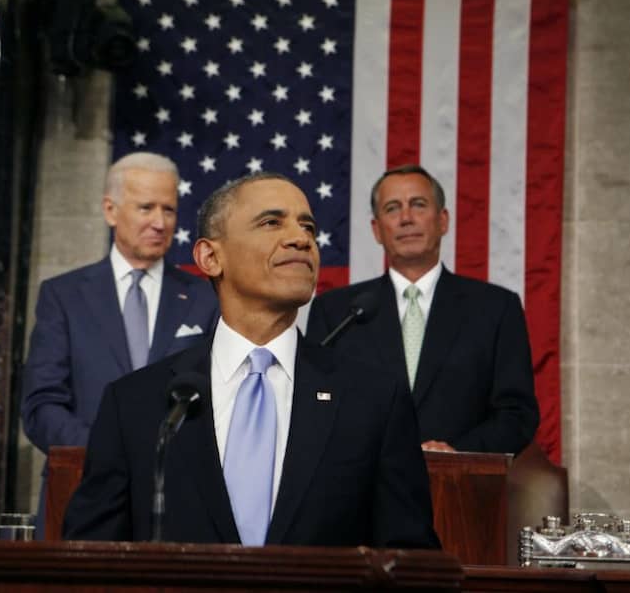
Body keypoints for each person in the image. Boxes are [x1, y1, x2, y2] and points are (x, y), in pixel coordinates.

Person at [62, 173, 439, 548]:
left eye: (307, 226)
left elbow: (411, 561)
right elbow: (89, 560)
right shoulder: (135, 404)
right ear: (210, 257)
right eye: (272, 222)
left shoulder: (374, 400)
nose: (300, 238)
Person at [22, 152, 219, 536]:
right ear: (110, 211)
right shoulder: (63, 296)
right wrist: (110, 452)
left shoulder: (205, 297)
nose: (160, 223)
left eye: (169, 209)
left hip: (176, 500)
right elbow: (41, 405)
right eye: (146, 208)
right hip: (81, 491)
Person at [307, 164, 539, 455]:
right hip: (359, 489)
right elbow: (315, 404)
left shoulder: (496, 308)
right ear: (377, 230)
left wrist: (456, 453)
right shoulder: (337, 311)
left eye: (418, 205)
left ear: (443, 220)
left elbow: (517, 414)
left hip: (459, 487)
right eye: (392, 208)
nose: (406, 218)